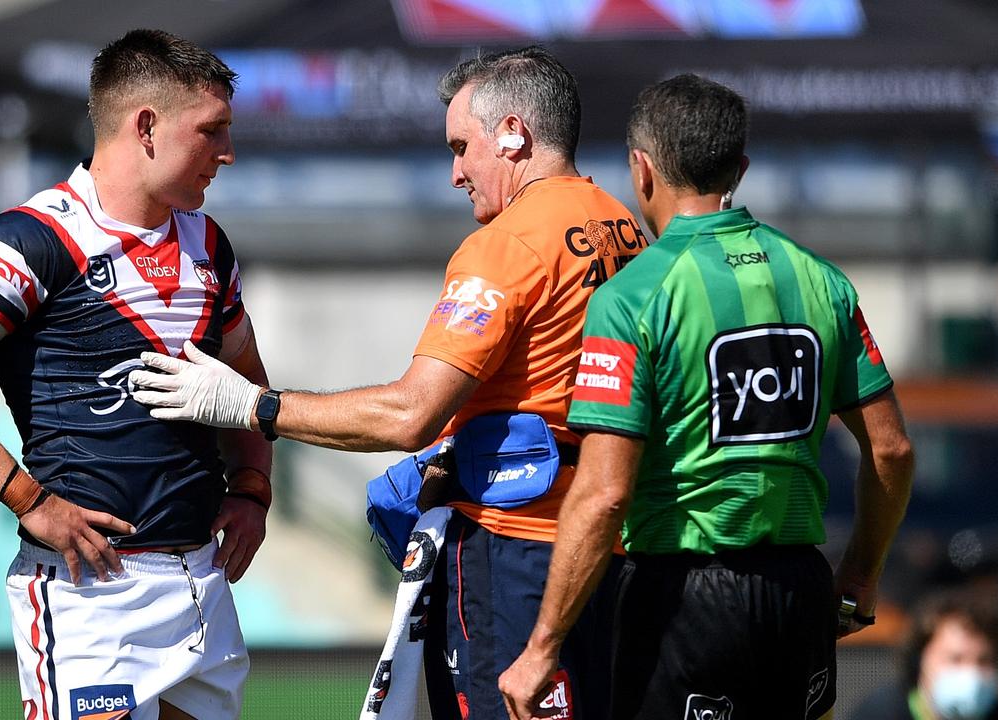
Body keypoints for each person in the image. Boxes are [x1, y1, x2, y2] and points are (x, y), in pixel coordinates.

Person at [129, 46, 646, 719]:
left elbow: (410, 415)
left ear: (513, 134)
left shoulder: (509, 242)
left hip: (515, 552)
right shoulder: (623, 226)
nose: (456, 173)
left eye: (462, 147)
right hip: (606, 550)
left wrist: (253, 405)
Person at [0, 30, 271, 720]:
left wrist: (254, 488)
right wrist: (28, 499)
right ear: (145, 126)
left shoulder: (209, 243)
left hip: (202, 587)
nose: (226, 153)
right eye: (211, 131)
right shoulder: (32, 237)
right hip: (93, 593)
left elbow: (247, 388)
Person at [498, 73, 917, 720]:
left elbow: (606, 492)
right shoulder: (820, 279)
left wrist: (542, 645)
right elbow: (890, 450)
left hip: (683, 596)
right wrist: (860, 572)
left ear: (641, 171)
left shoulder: (634, 296)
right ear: (740, 169)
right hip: (802, 592)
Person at [850, 592, 998, 720]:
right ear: (919, 657)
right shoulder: (878, 713)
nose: (971, 670)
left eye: (983, 660)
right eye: (955, 658)